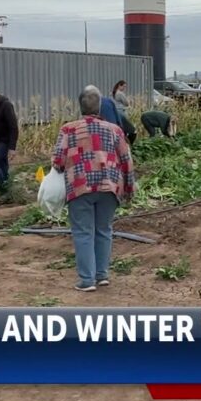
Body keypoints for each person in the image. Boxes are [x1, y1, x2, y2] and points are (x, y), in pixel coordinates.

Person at [52, 87, 136, 292]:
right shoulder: (114, 130)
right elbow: (126, 160)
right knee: (104, 230)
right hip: (109, 186)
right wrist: (129, 188)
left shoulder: (68, 130)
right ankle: (102, 275)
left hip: (80, 187)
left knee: (83, 232)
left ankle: (86, 280)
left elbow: (58, 161)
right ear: (99, 106)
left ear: (80, 106)